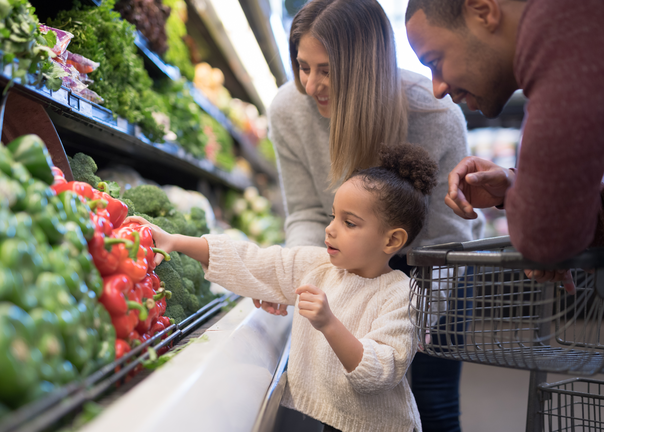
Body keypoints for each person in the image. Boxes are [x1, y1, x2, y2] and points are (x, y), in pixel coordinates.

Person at [256, 1, 485, 430]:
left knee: (432, 404)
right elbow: (307, 212)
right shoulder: (288, 110)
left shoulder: (434, 115)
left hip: (436, 265)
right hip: (351, 259)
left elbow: (445, 238)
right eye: (303, 66)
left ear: (366, 67)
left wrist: (412, 326)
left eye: (326, 69)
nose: (311, 85)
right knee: (343, 403)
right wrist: (299, 279)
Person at [130, 143, 438, 432]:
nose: (330, 229)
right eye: (333, 216)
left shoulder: (401, 296)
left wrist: (328, 323)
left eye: (350, 223)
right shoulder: (318, 266)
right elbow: (254, 261)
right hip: (333, 420)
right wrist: (176, 241)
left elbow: (378, 372)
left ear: (392, 240)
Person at [404, 0, 603, 276]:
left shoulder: (561, 38)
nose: (437, 88)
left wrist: (545, 224)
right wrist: (515, 185)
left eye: (436, 62)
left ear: (483, 12)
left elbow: (543, 241)